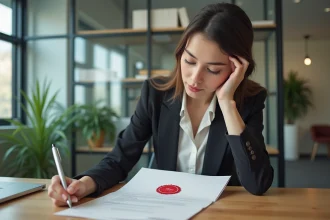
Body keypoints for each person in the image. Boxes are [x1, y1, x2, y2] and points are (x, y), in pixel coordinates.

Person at [48, 2, 274, 206]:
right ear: (180, 53)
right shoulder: (155, 94)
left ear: (236, 69)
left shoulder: (249, 102)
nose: (195, 78)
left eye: (213, 69)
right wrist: (84, 185)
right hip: (162, 207)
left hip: (218, 211)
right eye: (190, 61)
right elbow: (121, 157)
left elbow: (257, 183)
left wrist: (227, 102)